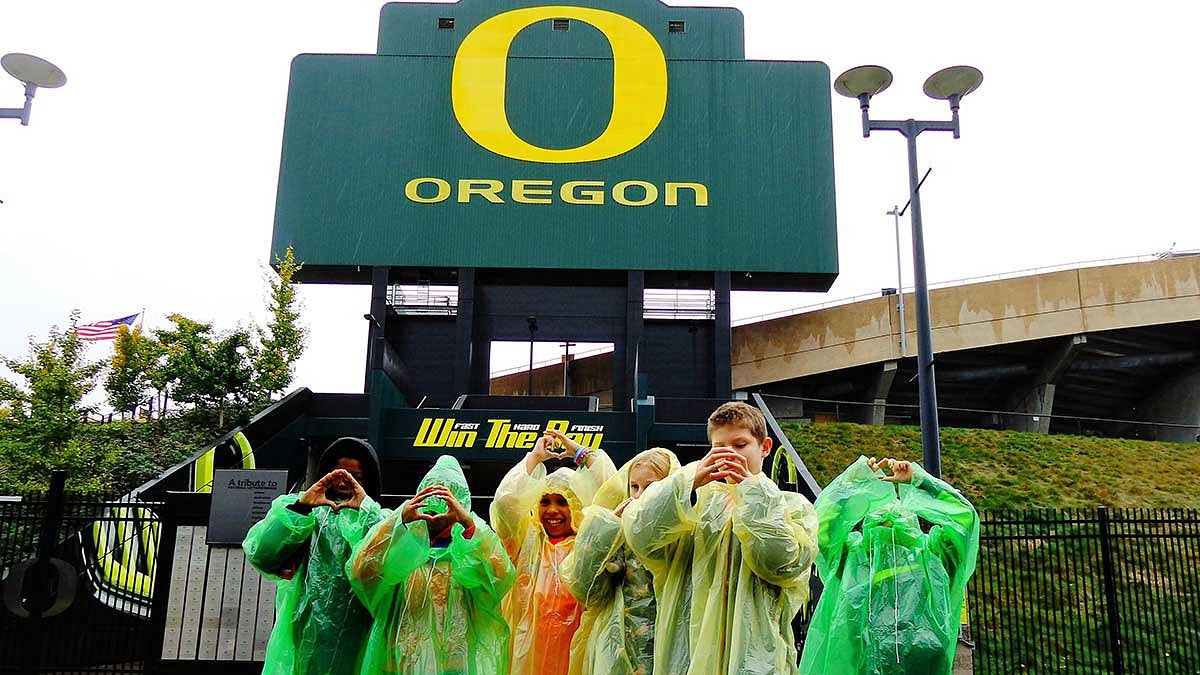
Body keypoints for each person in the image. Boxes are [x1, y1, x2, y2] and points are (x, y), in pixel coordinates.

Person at [622, 401, 819, 675]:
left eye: (740, 445)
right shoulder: (693, 503)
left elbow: (779, 563)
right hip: (687, 656)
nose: (729, 456)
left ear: (765, 447)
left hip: (754, 659)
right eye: (719, 448)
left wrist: (754, 495)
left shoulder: (791, 507)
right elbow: (641, 535)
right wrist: (687, 483)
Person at [799, 456, 980, 675]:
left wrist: (917, 480)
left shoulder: (931, 557)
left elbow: (965, 521)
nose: (889, 516)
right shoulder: (852, 558)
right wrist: (853, 481)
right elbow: (818, 528)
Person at [346, 454, 515, 674]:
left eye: (448, 499)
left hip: (458, 663)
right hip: (402, 662)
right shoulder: (403, 549)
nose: (437, 508)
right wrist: (398, 522)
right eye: (431, 497)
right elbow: (361, 571)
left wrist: (469, 525)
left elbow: (501, 577)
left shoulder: (471, 548)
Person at [242, 437, 385, 675]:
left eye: (356, 477)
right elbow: (262, 554)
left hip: (361, 631)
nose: (345, 482)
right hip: (305, 630)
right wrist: (301, 507)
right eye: (339, 474)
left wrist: (367, 511)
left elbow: (389, 563)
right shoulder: (298, 512)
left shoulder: (378, 519)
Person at [490, 428, 616, 675]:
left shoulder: (589, 544)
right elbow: (506, 502)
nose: (552, 511)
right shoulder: (525, 541)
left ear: (576, 504)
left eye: (562, 501)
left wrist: (581, 454)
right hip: (527, 660)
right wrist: (534, 458)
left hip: (575, 659)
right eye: (545, 502)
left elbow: (612, 493)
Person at [563, 447, 680, 675]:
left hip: (667, 640)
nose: (638, 495)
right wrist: (607, 530)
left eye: (651, 487)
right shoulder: (620, 533)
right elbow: (584, 587)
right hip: (620, 643)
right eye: (634, 486)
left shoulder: (680, 533)